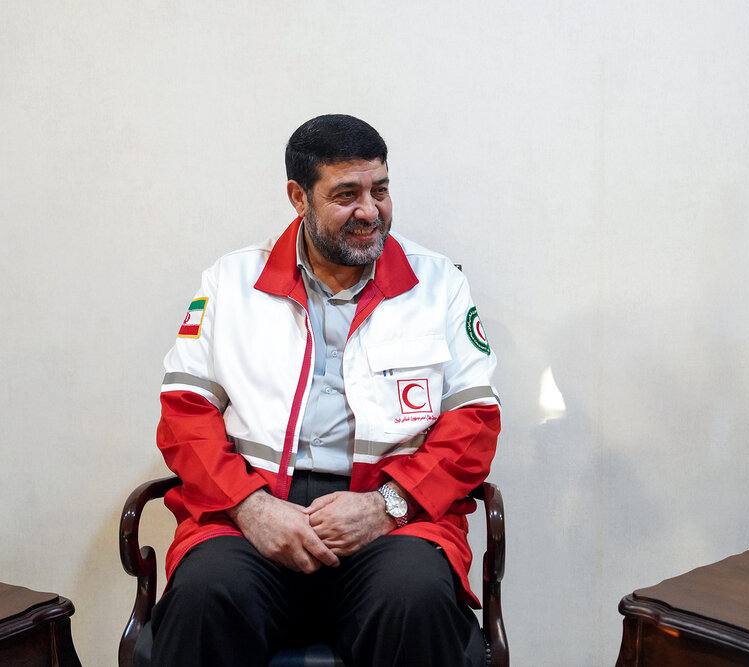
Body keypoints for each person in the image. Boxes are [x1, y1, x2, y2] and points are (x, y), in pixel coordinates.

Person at [149, 114, 501, 667]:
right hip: (253, 514)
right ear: (299, 197)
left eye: (379, 190)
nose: (370, 211)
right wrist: (250, 507)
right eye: (346, 195)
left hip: (393, 520)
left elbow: (473, 422)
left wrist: (387, 506)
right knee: (206, 595)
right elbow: (185, 416)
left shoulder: (439, 285)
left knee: (414, 597)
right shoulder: (231, 283)